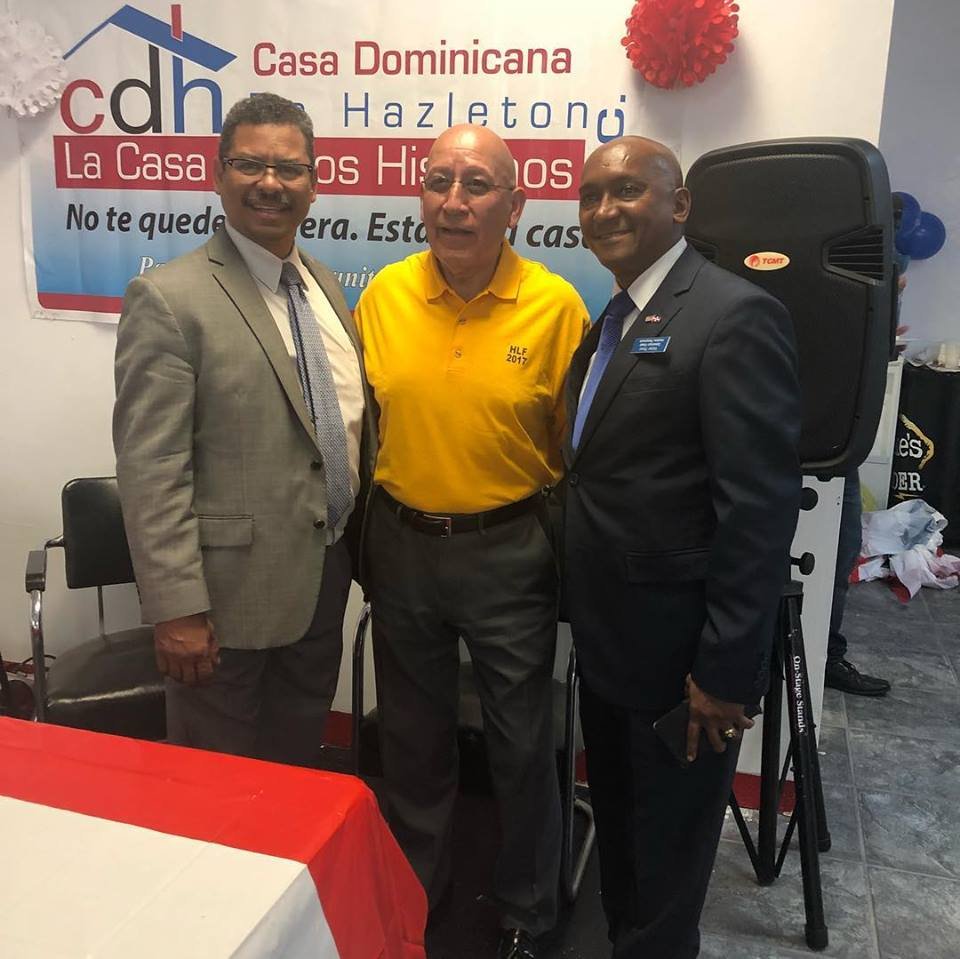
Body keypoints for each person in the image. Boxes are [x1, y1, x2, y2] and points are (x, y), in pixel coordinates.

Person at [562, 136, 801, 958]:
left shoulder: (734, 316)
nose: (604, 209)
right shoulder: (615, 316)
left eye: (627, 190)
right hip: (612, 645)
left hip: (684, 666)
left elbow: (758, 511)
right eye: (591, 194)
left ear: (680, 204)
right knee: (627, 844)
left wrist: (726, 673)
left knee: (665, 865)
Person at [354, 124, 588, 959]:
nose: (454, 202)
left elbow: (576, 448)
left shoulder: (557, 306)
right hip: (403, 544)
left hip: (509, 550)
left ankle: (529, 907)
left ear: (515, 206)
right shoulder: (383, 294)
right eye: (438, 181)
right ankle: (418, 888)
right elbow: (365, 424)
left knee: (522, 742)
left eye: (477, 185)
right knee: (412, 738)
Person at [113, 93, 375, 765]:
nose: (269, 183)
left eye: (289, 168)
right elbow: (152, 468)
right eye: (250, 164)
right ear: (218, 173)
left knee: (295, 773)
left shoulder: (322, 285)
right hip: (221, 606)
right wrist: (176, 607)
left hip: (321, 581)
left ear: (314, 184)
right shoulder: (169, 299)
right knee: (215, 790)